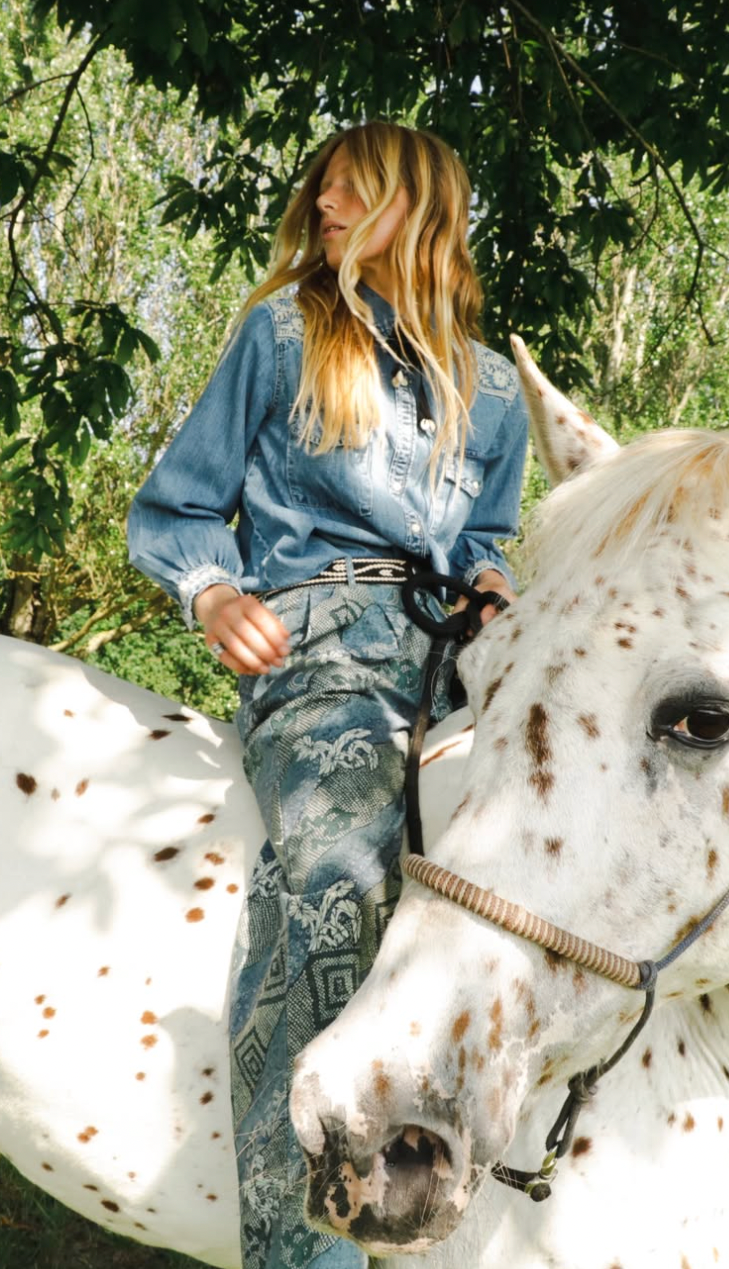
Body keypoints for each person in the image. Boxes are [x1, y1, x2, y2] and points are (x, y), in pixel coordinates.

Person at [127, 121, 528, 1269]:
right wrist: (212, 593)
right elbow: (175, 506)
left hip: (453, 665)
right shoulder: (283, 334)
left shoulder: (495, 388)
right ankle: (307, 1236)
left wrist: (491, 585)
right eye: (324, 185)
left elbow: (483, 540)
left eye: (358, 185)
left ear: (421, 207)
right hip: (319, 651)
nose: (328, 199)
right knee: (341, 893)